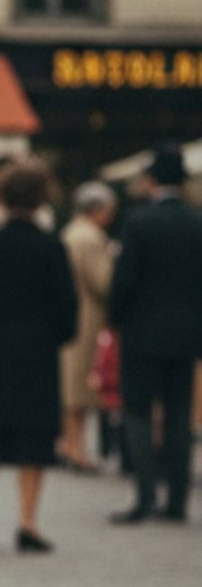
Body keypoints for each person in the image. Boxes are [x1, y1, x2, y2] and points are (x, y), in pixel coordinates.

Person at [0, 157, 78, 552]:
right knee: (34, 441)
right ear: (42, 198)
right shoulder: (50, 247)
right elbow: (67, 309)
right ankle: (27, 522)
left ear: (2, 196)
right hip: (36, 352)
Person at [109, 143, 202, 524]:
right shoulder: (197, 223)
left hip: (142, 333)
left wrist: (117, 321)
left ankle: (145, 494)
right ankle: (178, 500)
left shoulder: (137, 222)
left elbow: (124, 280)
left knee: (138, 412)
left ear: (150, 181)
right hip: (187, 335)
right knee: (180, 415)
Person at [58, 180, 117, 472]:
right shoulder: (91, 238)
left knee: (72, 386)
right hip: (87, 319)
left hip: (70, 316)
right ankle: (75, 447)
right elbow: (104, 282)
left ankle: (70, 443)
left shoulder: (70, 233)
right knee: (80, 387)